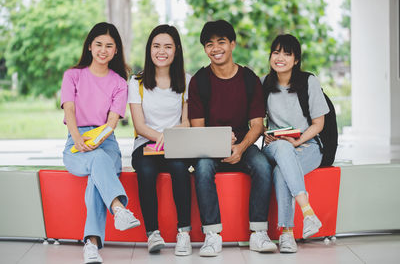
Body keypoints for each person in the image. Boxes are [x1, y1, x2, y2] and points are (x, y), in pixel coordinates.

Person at [188, 20, 276, 257]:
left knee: (262, 165)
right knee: (203, 168)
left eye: (221, 42)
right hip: (209, 145)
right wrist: (218, 142)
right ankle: (212, 235)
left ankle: (258, 233)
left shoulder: (249, 79)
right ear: (204, 49)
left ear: (233, 44)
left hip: (243, 143)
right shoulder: (199, 81)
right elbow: (198, 128)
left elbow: (257, 125)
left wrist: (240, 147)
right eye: (209, 44)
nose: (215, 48)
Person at [61, 22, 140, 264]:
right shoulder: (72, 75)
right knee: (97, 162)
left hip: (106, 142)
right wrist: (77, 137)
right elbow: (70, 109)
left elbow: (112, 121)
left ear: (116, 50)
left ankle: (91, 245)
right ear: (89, 47)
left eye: (109, 46)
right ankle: (118, 209)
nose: (103, 50)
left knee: (98, 167)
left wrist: (98, 139)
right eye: (98, 44)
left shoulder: (119, 82)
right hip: (76, 141)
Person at [261, 34, 329, 253]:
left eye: (287, 54)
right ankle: (307, 211)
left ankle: (287, 234)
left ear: (296, 60)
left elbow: (319, 123)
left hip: (307, 144)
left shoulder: (309, 81)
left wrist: (298, 140)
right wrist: (266, 132)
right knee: (282, 148)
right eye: (276, 52)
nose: (280, 58)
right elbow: (253, 121)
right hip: (275, 145)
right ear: (270, 55)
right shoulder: (264, 83)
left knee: (282, 171)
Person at [128, 24, 192, 256]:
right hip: (146, 144)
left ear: (176, 50)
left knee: (179, 169)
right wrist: (161, 137)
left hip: (175, 144)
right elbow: (140, 126)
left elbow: (187, 122)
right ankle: (152, 234)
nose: (161, 51)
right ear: (149, 50)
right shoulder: (136, 82)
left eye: (167, 46)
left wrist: (169, 136)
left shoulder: (186, 81)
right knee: (145, 171)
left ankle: (184, 232)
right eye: (156, 46)